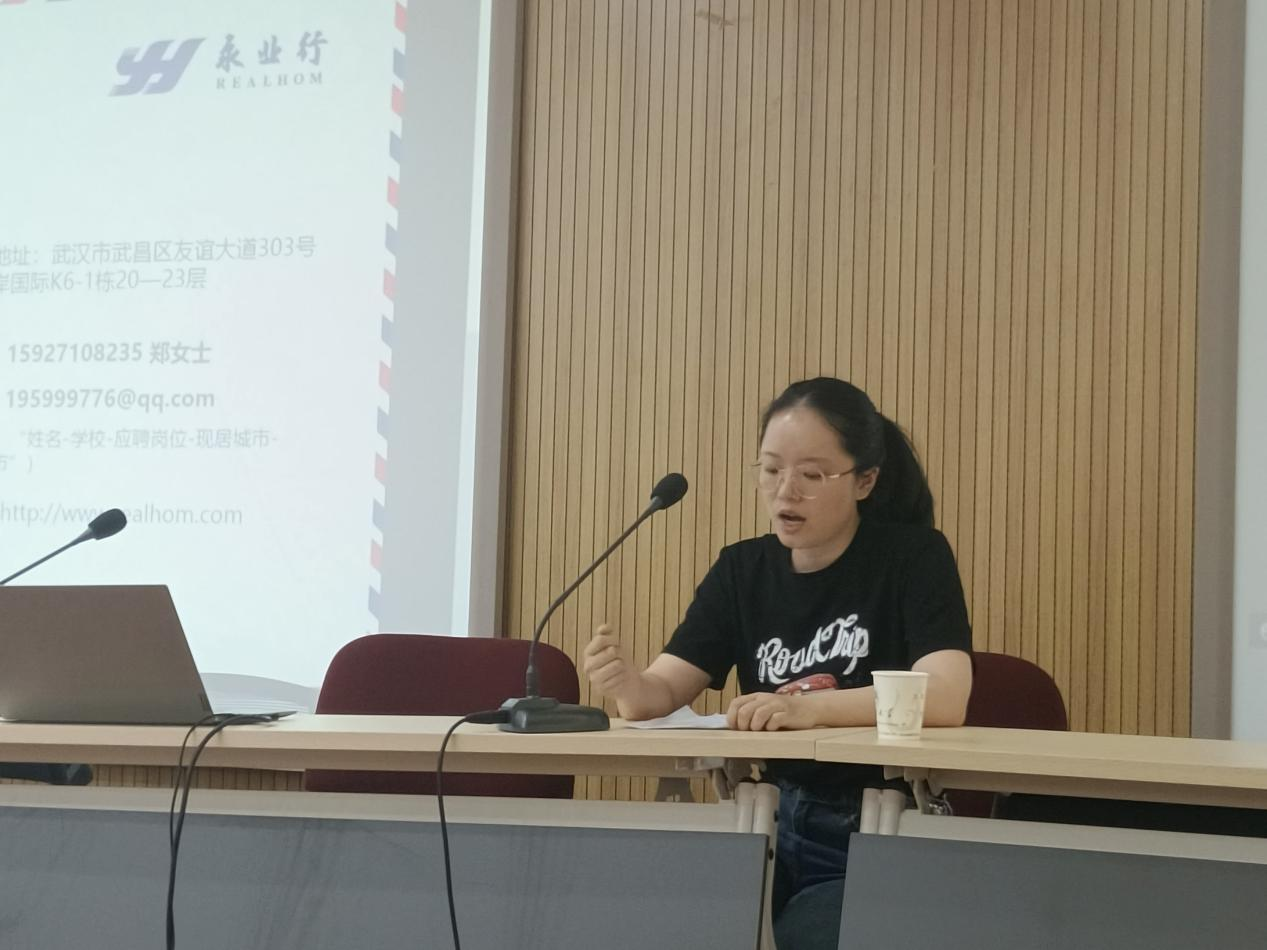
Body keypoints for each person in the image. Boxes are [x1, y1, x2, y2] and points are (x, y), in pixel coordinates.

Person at [582, 377, 973, 950]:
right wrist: (627, 683)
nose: (786, 491)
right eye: (771, 470)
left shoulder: (913, 558)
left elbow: (944, 695)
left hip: (868, 831)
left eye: (812, 475)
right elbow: (660, 694)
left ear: (864, 480)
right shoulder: (743, 570)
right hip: (757, 825)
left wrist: (808, 710)